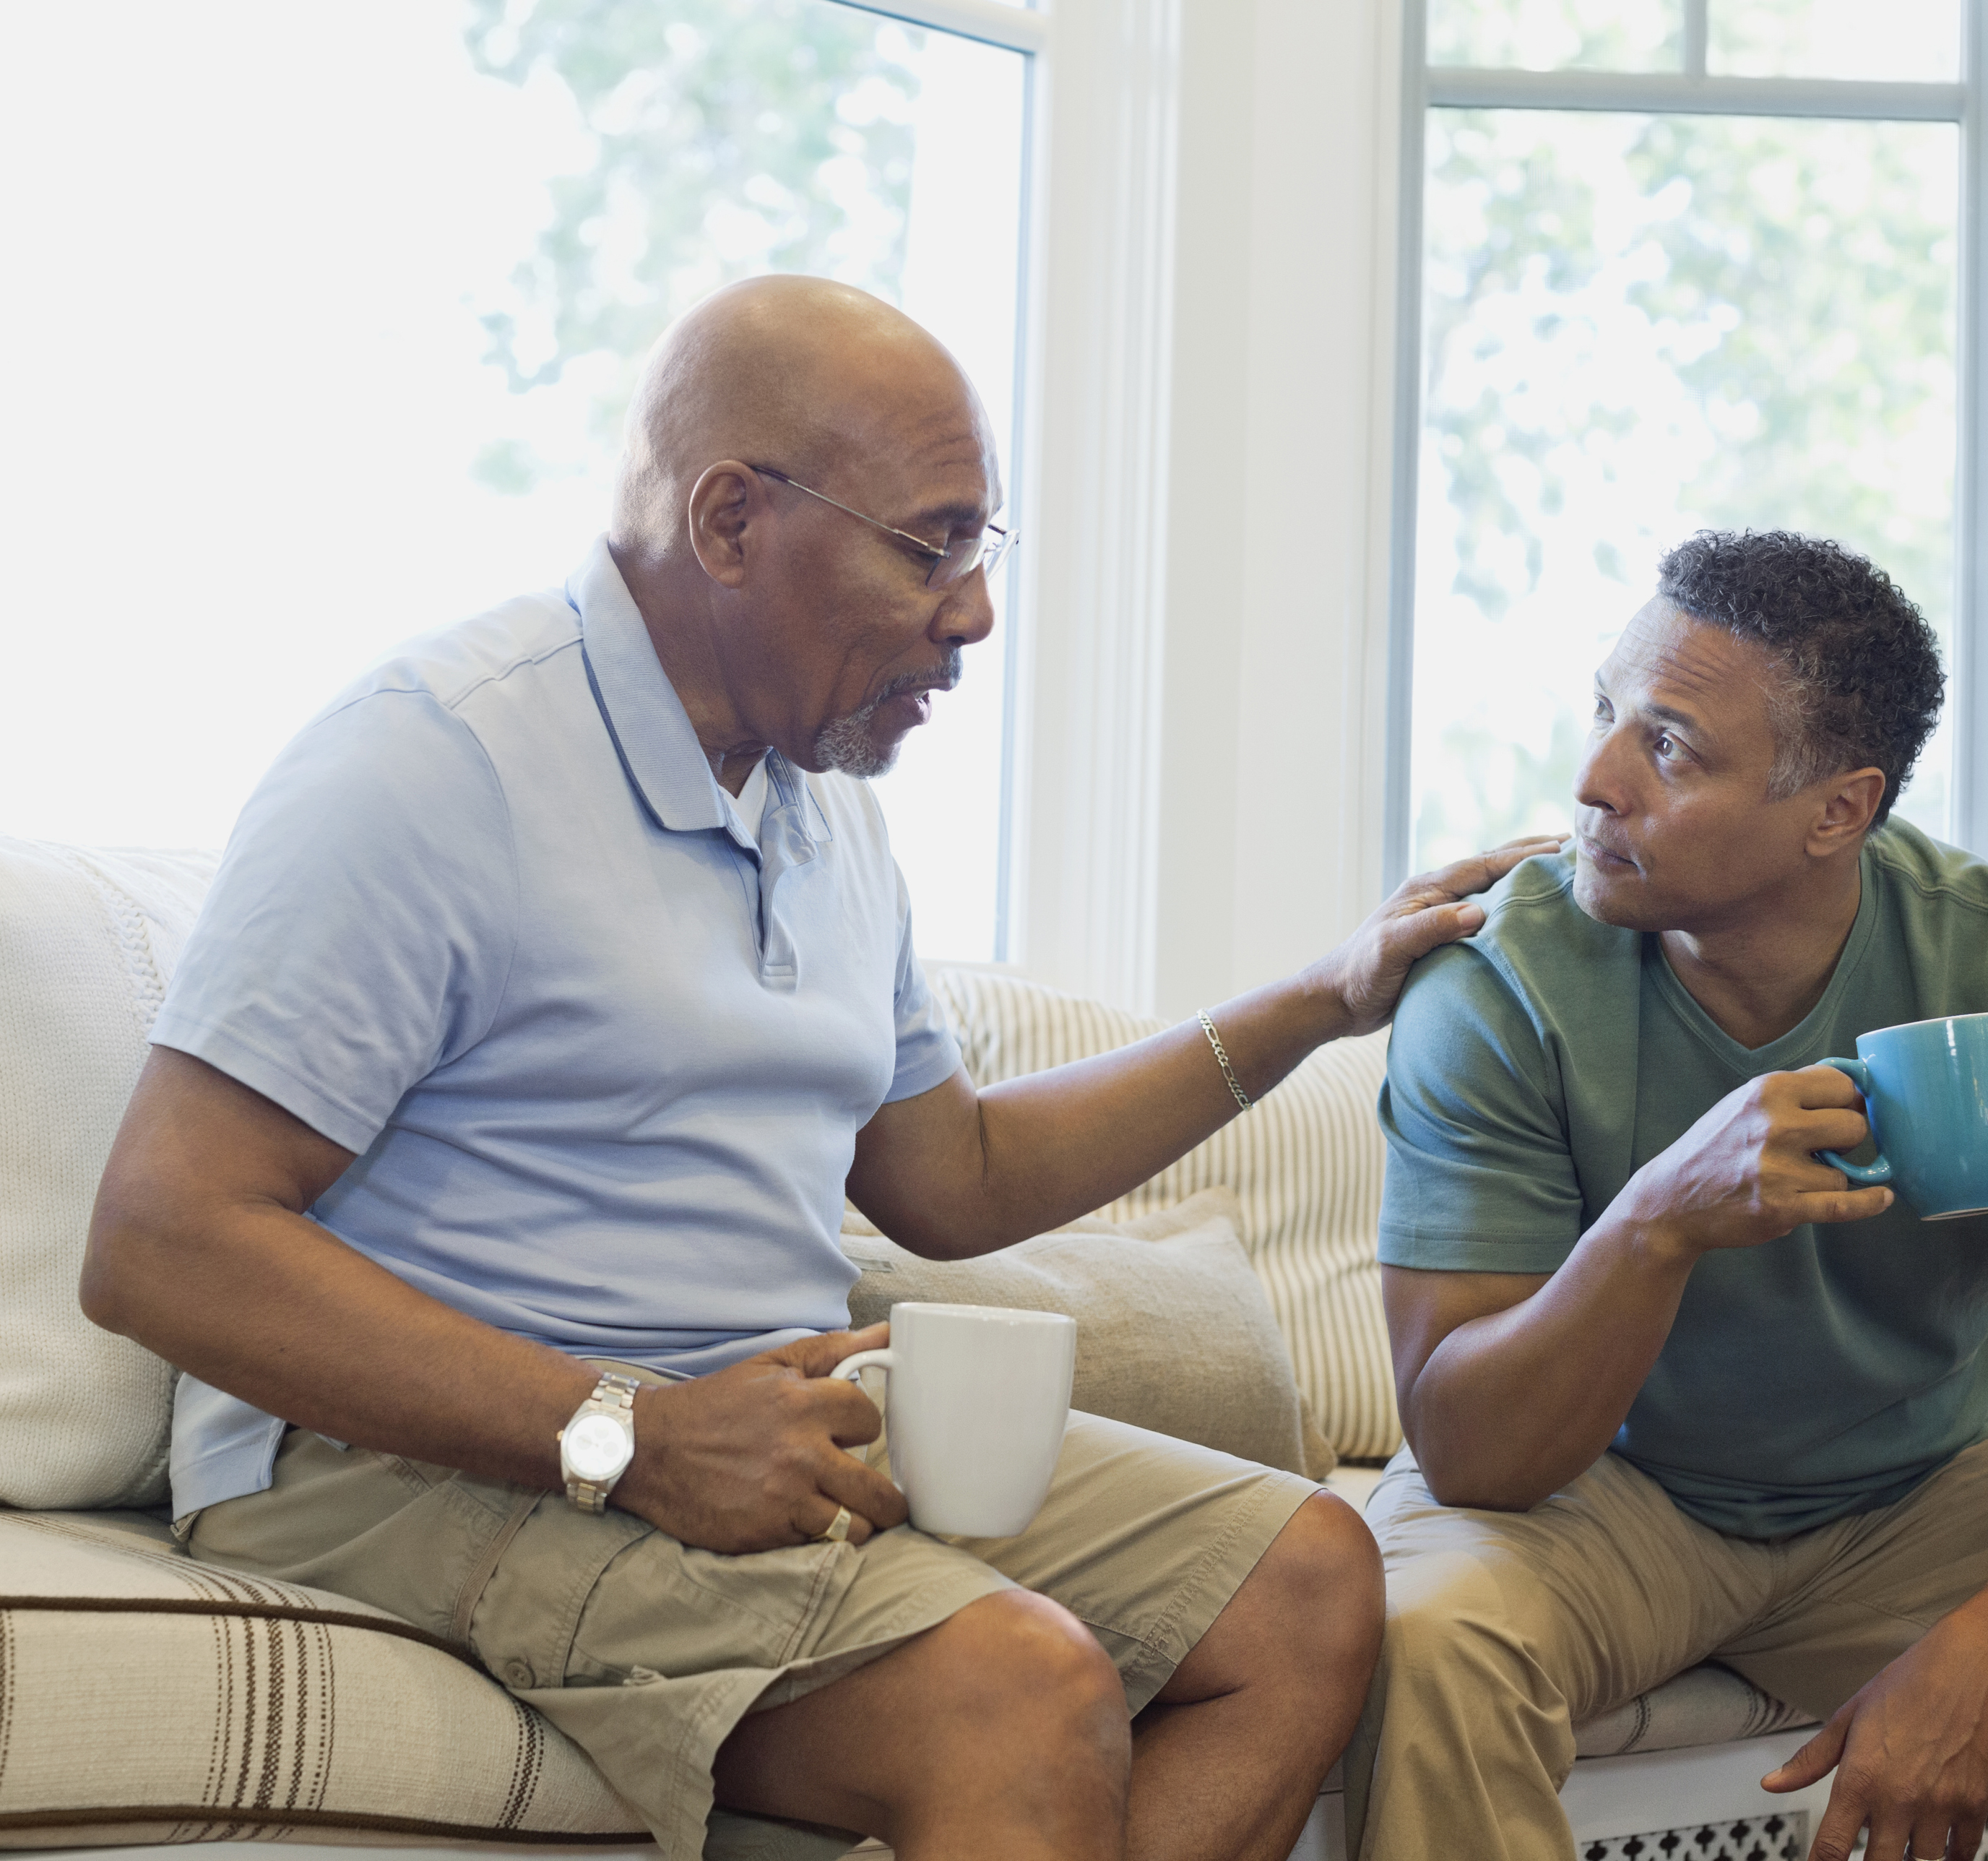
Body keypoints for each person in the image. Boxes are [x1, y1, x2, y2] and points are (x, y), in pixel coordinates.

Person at [79, 274, 1552, 1861]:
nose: (975, 609)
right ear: (729, 522)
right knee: (1016, 1686)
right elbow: (162, 1238)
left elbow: (953, 1175)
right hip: (395, 1458)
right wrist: (633, 1434)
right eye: (933, 543)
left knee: (1311, 1582)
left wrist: (1318, 1002)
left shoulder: (819, 801)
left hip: (761, 1418)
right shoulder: (435, 760)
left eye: (984, 547)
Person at [1354, 530, 1988, 1861]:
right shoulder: (1498, 982)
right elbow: (1472, 1451)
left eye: (1670, 747)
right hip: (1592, 1501)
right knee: (1424, 1641)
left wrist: (1985, 1642)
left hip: (1911, 1497)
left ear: (1837, 811)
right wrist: (1656, 1223)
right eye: (1604, 714)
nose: (1592, 783)